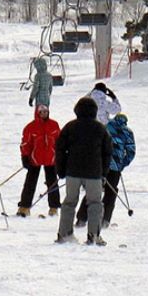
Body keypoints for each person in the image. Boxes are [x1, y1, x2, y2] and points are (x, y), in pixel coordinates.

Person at [55, 96, 114, 245]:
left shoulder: (70, 127)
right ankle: (93, 235)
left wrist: (60, 170)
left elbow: (60, 149)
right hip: (94, 173)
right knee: (95, 203)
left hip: (72, 172)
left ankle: (64, 233)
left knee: (69, 202)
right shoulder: (101, 128)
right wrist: (104, 173)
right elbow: (107, 152)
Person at [82, 112, 134, 227]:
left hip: (100, 165)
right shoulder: (127, 132)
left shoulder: (105, 127)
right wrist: (122, 163)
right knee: (111, 192)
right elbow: (131, 152)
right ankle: (105, 220)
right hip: (115, 168)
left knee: (94, 190)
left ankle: (82, 218)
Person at [17, 104, 61, 217]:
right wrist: (25, 156)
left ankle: (54, 207)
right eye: (42, 112)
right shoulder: (31, 127)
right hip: (34, 159)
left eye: (46, 112)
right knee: (30, 183)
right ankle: (24, 207)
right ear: (38, 113)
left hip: (51, 159)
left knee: (52, 183)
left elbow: (59, 142)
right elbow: (25, 143)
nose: (44, 114)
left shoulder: (54, 125)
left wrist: (60, 155)